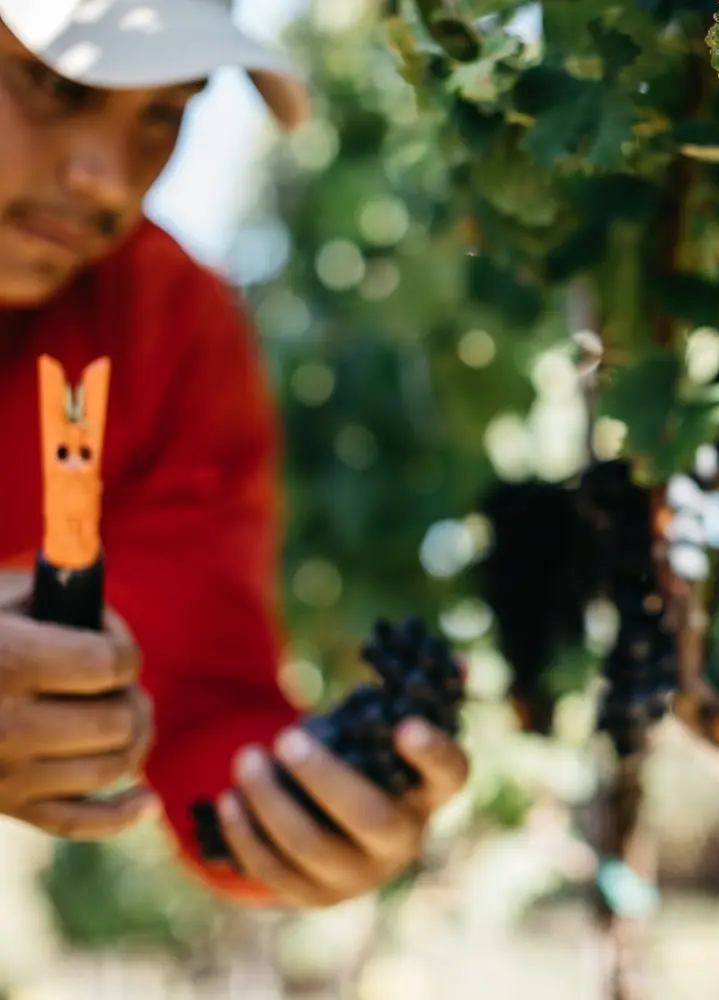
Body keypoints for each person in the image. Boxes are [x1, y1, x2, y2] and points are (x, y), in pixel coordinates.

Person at [0, 1, 471, 908]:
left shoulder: (167, 325)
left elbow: (201, 707)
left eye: (163, 113)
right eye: (55, 85)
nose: (107, 179)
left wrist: (302, 813)